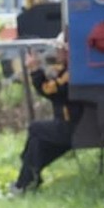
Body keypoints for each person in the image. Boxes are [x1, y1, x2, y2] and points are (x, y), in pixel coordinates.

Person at [13, 43, 77, 193]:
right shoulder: (70, 69)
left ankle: (25, 181)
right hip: (75, 124)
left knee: (35, 129)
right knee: (37, 143)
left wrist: (35, 70)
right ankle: (26, 183)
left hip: (72, 126)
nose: (57, 51)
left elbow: (49, 90)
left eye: (61, 48)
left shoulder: (72, 73)